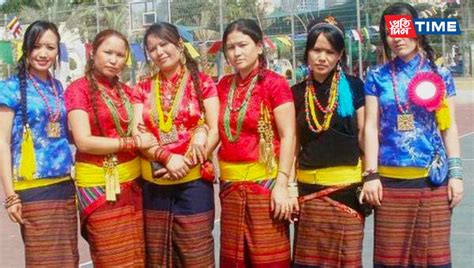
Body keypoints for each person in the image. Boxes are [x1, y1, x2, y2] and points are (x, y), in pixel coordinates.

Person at [361, 2, 464, 267]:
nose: (396, 37)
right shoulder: (377, 77)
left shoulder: (439, 75)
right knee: (390, 260)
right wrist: (371, 175)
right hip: (390, 184)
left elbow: (448, 126)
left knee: (433, 259)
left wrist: (456, 174)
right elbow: (370, 126)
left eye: (403, 28)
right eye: (390, 31)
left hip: (433, 182)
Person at [132, 22, 219, 267]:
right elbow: (138, 134)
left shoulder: (203, 83)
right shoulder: (142, 89)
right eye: (152, 48)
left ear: (179, 45)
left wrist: (186, 163)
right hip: (155, 183)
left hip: (194, 184)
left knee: (197, 253)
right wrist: (168, 158)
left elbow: (215, 130)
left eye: (164, 44)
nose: (159, 52)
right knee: (159, 257)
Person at [65, 29, 156, 267]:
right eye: (108, 52)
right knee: (110, 256)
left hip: (134, 184)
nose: (114, 60)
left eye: (120, 55)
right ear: (93, 52)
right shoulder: (78, 90)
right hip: (98, 186)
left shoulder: (127, 92)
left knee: (138, 255)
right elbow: (83, 140)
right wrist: (132, 143)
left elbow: (144, 131)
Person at [217, 19, 295, 267]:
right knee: (234, 260)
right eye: (230, 48)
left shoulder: (275, 83)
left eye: (243, 45)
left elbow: (288, 135)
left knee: (269, 259)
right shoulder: (223, 86)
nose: (236, 53)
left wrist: (283, 185)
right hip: (231, 189)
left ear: (259, 47)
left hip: (267, 187)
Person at [0, 20, 78, 266]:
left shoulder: (57, 87)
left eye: (50, 47)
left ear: (57, 51)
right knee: (43, 261)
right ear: (26, 48)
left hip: (65, 187)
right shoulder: (10, 88)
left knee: (68, 259)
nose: (43, 53)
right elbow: (2, 142)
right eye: (36, 46)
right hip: (33, 190)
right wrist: (11, 195)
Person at [291, 16, 366, 267]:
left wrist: (371, 176)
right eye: (316, 50)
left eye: (329, 52)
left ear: (340, 55)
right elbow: (292, 144)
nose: (322, 57)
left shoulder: (355, 87)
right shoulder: (297, 93)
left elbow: (364, 133)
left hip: (347, 191)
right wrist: (290, 187)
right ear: (307, 52)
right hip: (308, 194)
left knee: (346, 260)